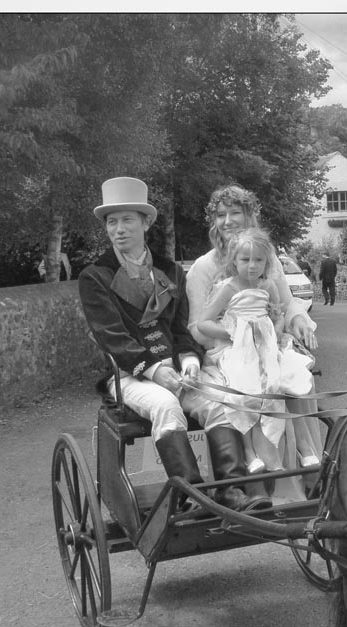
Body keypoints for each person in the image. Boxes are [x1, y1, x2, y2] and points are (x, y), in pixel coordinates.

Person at [78, 177, 270, 513]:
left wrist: (191, 361)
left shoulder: (171, 272)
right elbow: (112, 337)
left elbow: (182, 330)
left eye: (127, 220)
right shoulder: (95, 277)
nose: (119, 230)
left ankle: (233, 491)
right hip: (129, 375)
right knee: (166, 405)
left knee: (221, 401)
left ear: (146, 223)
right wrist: (156, 371)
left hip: (177, 368)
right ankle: (191, 495)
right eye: (112, 222)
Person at [183, 184, 324, 504]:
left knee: (293, 373)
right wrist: (236, 333)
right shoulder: (204, 268)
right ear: (213, 222)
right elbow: (197, 327)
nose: (228, 221)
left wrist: (297, 321)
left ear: (250, 217)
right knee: (249, 384)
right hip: (225, 351)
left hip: (267, 343)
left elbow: (285, 304)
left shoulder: (266, 256)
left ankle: (307, 464)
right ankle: (256, 475)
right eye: (221, 215)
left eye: (236, 213)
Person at [197, 228, 316, 475]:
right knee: (243, 390)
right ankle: (250, 453)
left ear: (267, 262)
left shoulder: (269, 285)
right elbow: (203, 323)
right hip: (239, 350)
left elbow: (278, 315)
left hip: (266, 347)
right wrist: (234, 332)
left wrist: (274, 328)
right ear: (233, 260)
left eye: (258, 260)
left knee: (290, 381)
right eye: (245, 260)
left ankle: (305, 448)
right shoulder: (228, 288)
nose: (252, 266)